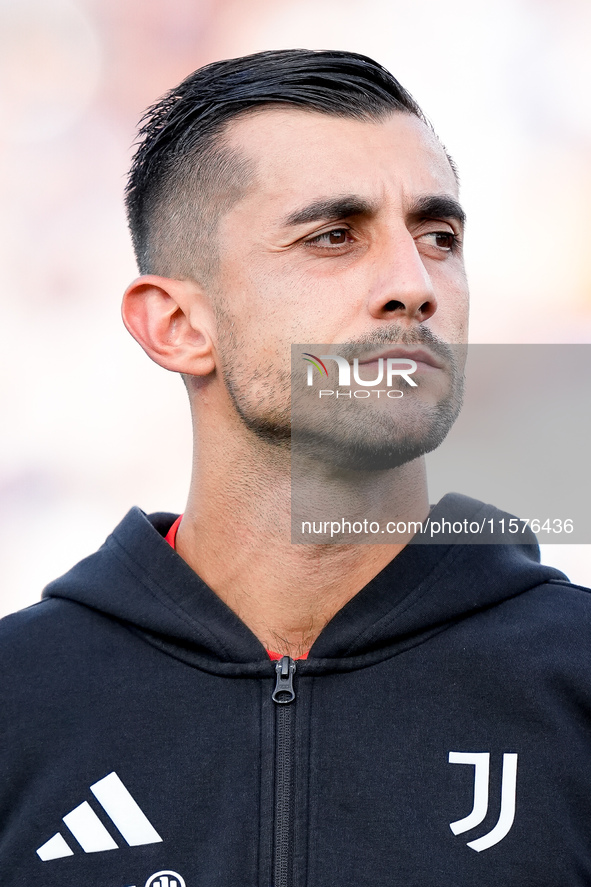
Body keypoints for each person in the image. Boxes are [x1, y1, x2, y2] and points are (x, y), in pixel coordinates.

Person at [1, 49, 590, 887]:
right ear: (175, 323)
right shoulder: (21, 703)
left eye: (438, 236)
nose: (412, 284)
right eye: (333, 236)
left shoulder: (571, 680)